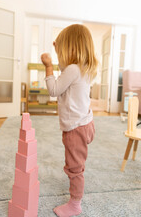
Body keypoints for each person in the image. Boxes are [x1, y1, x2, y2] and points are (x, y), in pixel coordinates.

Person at [41, 24, 98, 217]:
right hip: (86, 123)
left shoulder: (72, 70)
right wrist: (57, 52)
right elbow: (65, 70)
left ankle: (75, 205)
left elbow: (54, 90)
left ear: (70, 49)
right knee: (78, 163)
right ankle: (76, 193)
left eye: (61, 49)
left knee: (74, 168)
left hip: (75, 128)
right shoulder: (84, 69)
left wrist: (48, 67)